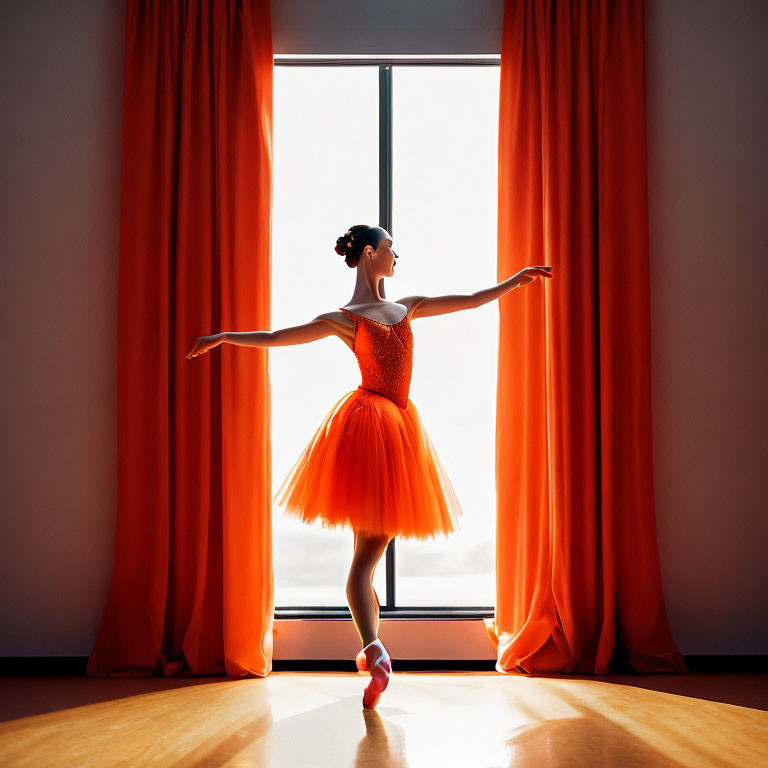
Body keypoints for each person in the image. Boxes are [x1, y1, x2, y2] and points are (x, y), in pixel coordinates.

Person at [186, 224, 553, 708]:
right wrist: (225, 337)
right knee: (364, 562)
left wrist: (513, 281)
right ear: (368, 253)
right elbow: (277, 337)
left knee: (363, 562)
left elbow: (468, 298)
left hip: (388, 429)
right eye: (390, 249)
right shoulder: (349, 318)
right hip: (376, 428)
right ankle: (374, 651)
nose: (397, 256)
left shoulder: (406, 306)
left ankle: (373, 652)